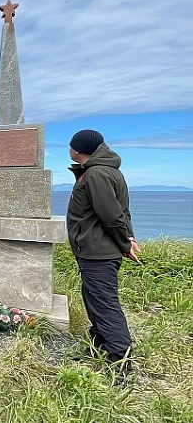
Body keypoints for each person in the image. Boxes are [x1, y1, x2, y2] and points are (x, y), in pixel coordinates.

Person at [67, 129, 140, 372]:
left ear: (78, 149)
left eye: (71, 146)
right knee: (94, 298)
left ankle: (120, 361)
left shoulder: (96, 173)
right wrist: (128, 236)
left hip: (98, 250)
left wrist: (125, 243)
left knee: (104, 303)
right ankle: (100, 345)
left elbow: (111, 215)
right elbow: (123, 210)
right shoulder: (107, 170)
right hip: (95, 248)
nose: (69, 149)